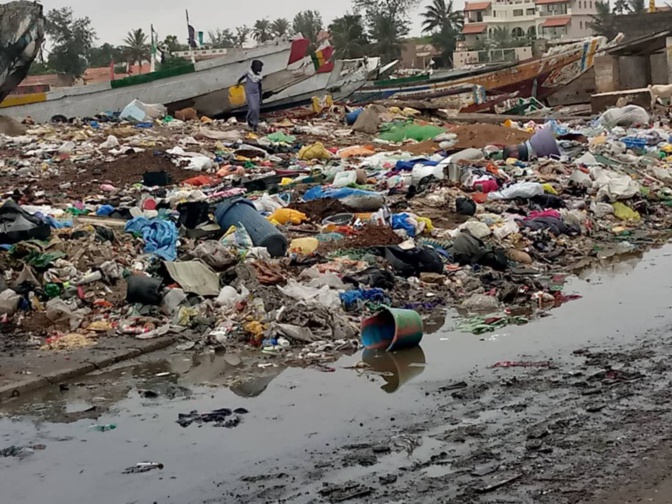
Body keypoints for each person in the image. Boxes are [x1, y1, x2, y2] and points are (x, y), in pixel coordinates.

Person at [237, 60, 263, 131]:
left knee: (256, 109)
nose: (260, 69)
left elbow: (260, 87)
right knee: (252, 108)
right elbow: (241, 78)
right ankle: (249, 121)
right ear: (254, 67)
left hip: (256, 93)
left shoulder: (259, 76)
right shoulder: (248, 72)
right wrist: (238, 83)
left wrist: (261, 98)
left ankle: (255, 124)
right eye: (259, 67)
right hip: (250, 93)